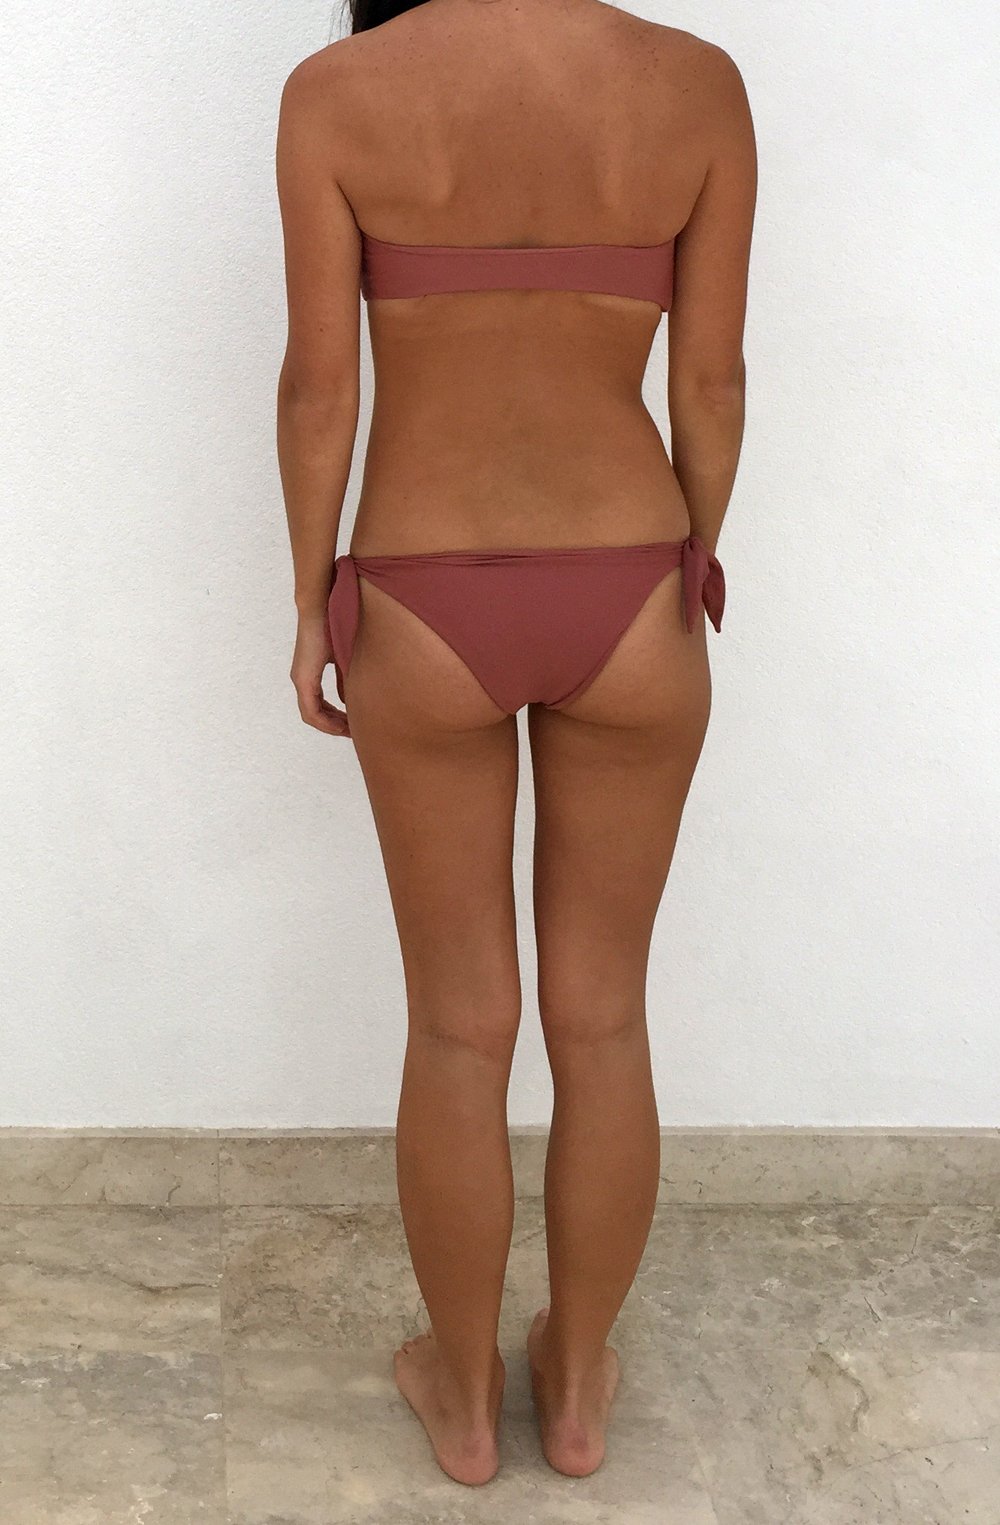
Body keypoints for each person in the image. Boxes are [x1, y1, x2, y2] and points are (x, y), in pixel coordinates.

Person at [275, 0, 756, 1489]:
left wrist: (310, 599)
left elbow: (320, 387)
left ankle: (468, 1398)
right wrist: (691, 563)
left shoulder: (338, 92)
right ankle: (580, 1384)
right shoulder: (695, 86)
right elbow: (712, 383)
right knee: (602, 1017)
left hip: (423, 591)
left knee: (458, 1023)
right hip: (629, 583)